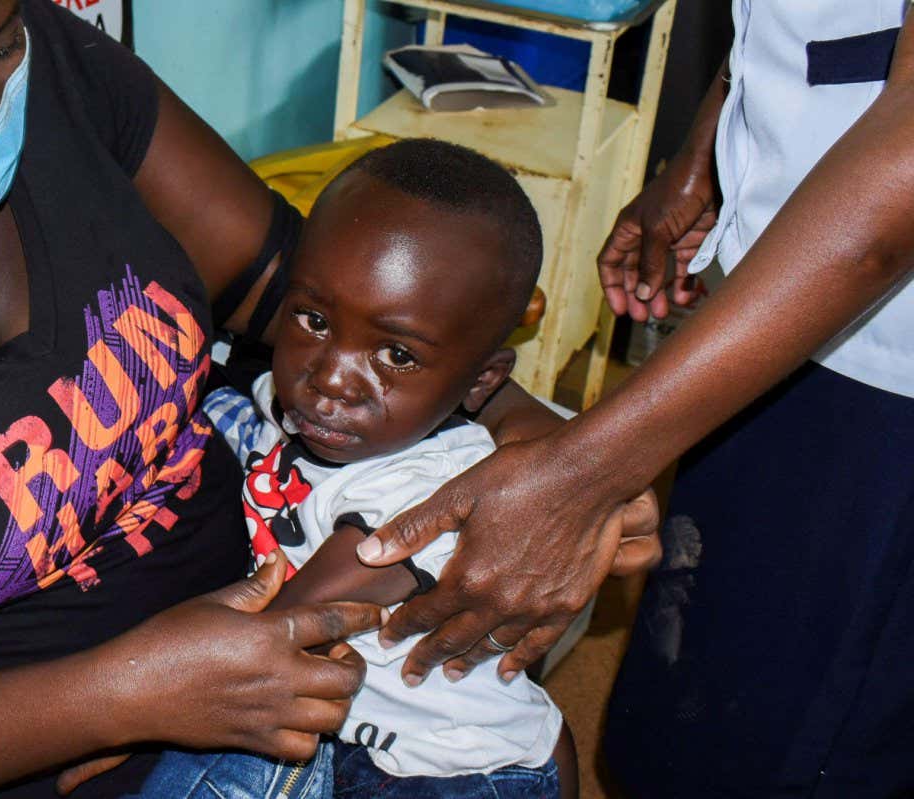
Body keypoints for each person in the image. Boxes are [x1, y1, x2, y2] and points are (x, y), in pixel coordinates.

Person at [0, 1, 645, 796]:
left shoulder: (59, 62)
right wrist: (124, 697)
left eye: (0, 47)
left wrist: (535, 443)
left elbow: (306, 292)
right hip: (42, 738)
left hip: (270, 596)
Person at [345, 2, 914, 798]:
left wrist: (589, 469)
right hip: (785, 295)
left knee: (812, 726)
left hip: (888, 359)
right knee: (702, 657)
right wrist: (709, 150)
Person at [129, 139, 661, 799]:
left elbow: (284, 628)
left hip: (459, 770)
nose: (331, 378)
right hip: (355, 733)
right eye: (314, 319)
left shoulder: (434, 486)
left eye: (398, 357)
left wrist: (137, 720)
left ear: (482, 380)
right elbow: (231, 405)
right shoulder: (297, 403)